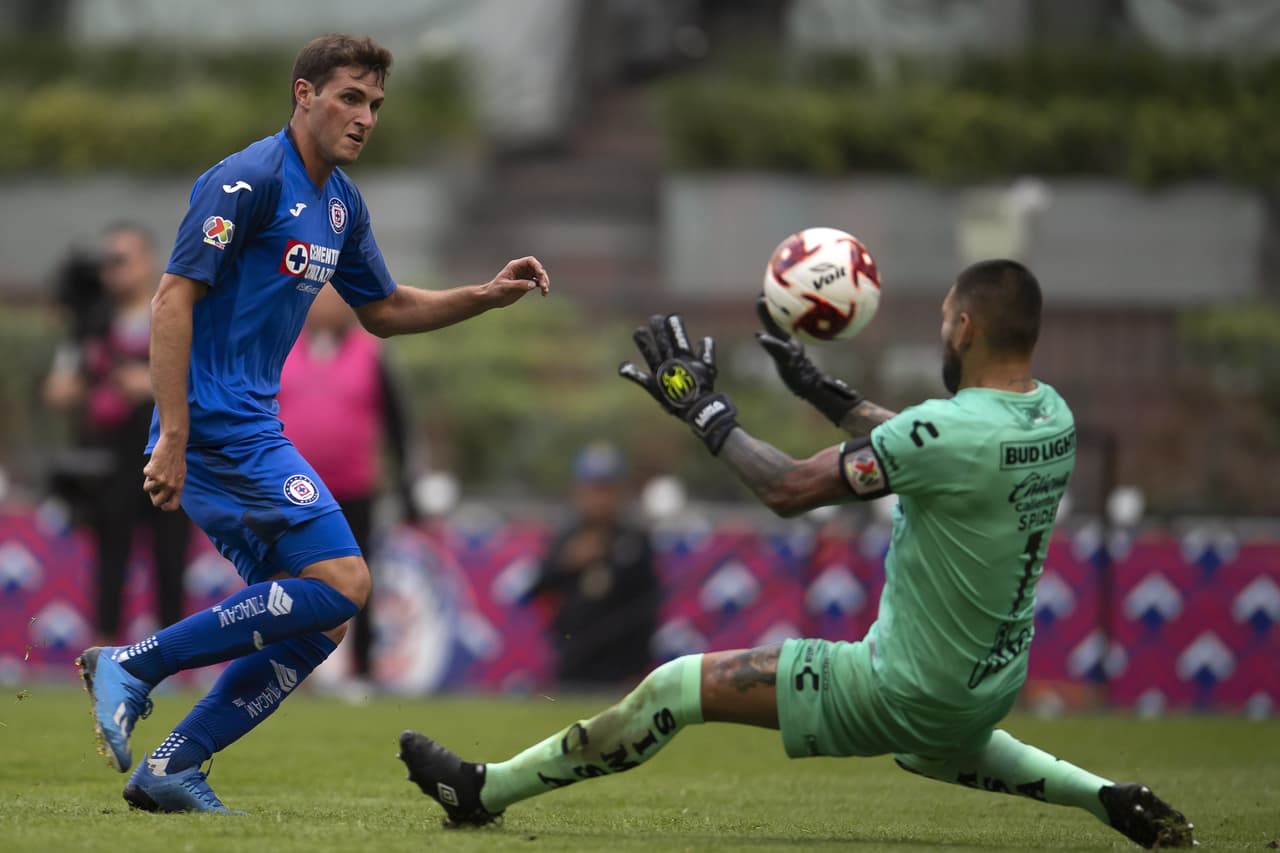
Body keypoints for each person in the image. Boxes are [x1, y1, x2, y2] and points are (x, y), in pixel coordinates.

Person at [398, 260, 1195, 849]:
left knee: (676, 687)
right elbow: (927, 443)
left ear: (965, 328)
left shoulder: (951, 432)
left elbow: (788, 487)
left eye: (944, 318)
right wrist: (821, 391)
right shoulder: (1051, 417)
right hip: (988, 685)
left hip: (902, 684)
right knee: (939, 744)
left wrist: (706, 412)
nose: (942, 330)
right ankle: (1108, 796)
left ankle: (482, 791)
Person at [74, 33, 549, 814]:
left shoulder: (340, 204)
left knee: (321, 617)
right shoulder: (247, 179)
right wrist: (176, 434)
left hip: (248, 425)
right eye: (350, 98)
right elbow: (170, 300)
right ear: (304, 94)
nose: (365, 117)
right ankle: (135, 663)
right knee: (346, 582)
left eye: (375, 104)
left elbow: (386, 309)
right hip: (220, 425)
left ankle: (173, 763)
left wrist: (485, 295)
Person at [44, 224, 191, 643]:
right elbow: (58, 390)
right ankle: (103, 659)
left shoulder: (174, 314)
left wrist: (151, 383)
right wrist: (95, 381)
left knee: (170, 562)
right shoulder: (92, 322)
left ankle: (171, 657)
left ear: (147, 263)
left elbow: (202, 380)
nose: (113, 270)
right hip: (110, 463)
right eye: (107, 261)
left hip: (168, 456)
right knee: (110, 563)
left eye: (122, 259)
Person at [277, 283, 419, 694]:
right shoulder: (281, 347)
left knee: (359, 578)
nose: (326, 305)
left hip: (354, 487)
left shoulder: (371, 353)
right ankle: (288, 670)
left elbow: (397, 423)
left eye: (335, 297)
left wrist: (407, 482)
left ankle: (362, 670)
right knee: (290, 579)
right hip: (292, 488)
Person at [529, 441, 659, 688]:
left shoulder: (634, 539)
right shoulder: (566, 536)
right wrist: (567, 563)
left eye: (606, 489)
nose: (599, 499)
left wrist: (640, 666)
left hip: (622, 668)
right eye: (592, 489)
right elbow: (536, 588)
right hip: (573, 663)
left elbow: (649, 606)